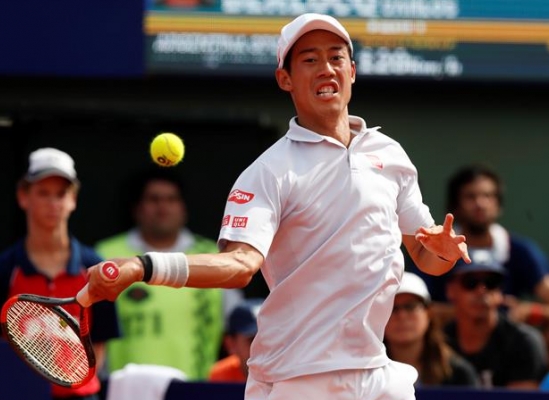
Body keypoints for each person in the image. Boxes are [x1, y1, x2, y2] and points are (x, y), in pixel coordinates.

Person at [83, 13, 470, 400]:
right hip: (296, 378)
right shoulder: (268, 172)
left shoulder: (390, 155)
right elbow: (238, 266)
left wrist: (444, 253)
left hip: (377, 373)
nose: (326, 69)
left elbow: (425, 255)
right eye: (310, 60)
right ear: (284, 79)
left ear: (352, 71)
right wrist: (143, 265)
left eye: (336, 58)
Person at [420, 164, 549, 368]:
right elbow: (412, 307)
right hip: (445, 351)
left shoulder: (522, 250)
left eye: (488, 196)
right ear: (455, 205)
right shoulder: (434, 246)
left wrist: (530, 311)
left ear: (499, 204)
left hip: (509, 350)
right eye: (470, 197)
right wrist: (467, 312)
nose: (480, 204)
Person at [0, 147, 120, 400]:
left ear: (73, 199)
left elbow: (100, 342)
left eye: (61, 194)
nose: (53, 203)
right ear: (23, 197)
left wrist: (75, 383)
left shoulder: (93, 266)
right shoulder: (5, 268)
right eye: (43, 193)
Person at [95, 167, 229, 380]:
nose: (163, 207)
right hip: (124, 392)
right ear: (136, 208)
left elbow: (237, 332)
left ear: (184, 208)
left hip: (193, 392)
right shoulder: (105, 256)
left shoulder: (213, 257)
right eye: (154, 199)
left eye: (171, 199)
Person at [444, 249, 548, 389]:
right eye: (471, 282)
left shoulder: (523, 341)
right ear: (450, 290)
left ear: (500, 292)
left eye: (491, 282)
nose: (481, 291)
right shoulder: (439, 341)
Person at [384, 272, 479, 387]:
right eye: (391, 308)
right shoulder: (362, 372)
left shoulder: (459, 374)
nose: (402, 316)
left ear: (428, 313)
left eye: (411, 306)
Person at [209, 298, 264, 383]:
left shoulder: (287, 371)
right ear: (231, 344)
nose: (263, 348)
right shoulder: (220, 376)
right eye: (252, 340)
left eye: (268, 339)